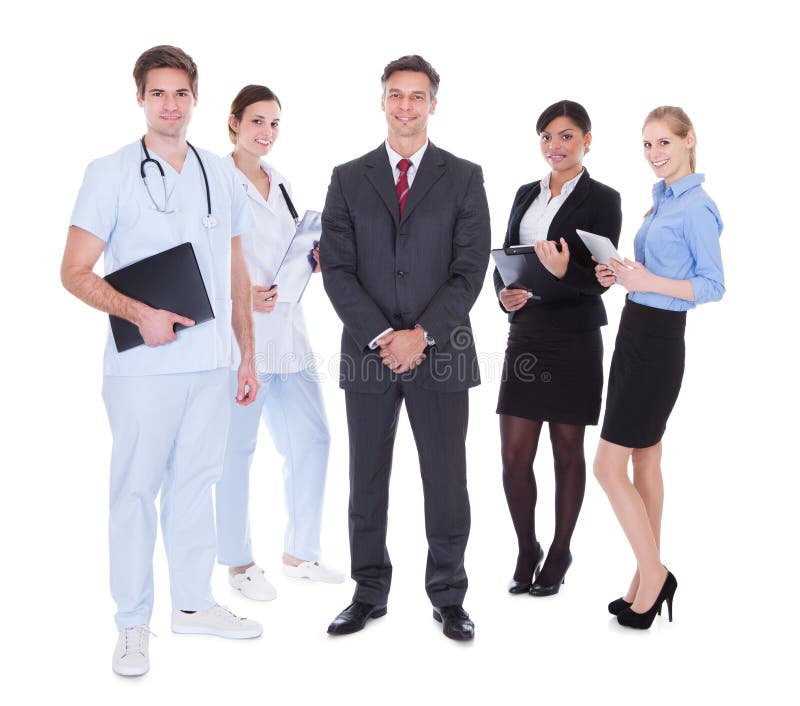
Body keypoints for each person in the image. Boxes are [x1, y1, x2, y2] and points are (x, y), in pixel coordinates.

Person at [60, 46, 263, 677]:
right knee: (134, 492)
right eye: (158, 94)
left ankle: (195, 606)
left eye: (181, 93)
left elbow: (234, 267)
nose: (170, 104)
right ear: (141, 99)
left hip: (210, 363)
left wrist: (246, 353)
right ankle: (131, 623)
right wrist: (136, 313)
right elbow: (73, 272)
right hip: (143, 369)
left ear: (195, 98)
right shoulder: (110, 172)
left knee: (195, 486)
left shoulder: (218, 172)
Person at [320, 55, 490, 641]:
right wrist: (382, 336)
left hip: (439, 352)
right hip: (367, 353)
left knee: (446, 481)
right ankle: (368, 592)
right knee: (366, 479)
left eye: (417, 96)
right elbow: (337, 270)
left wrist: (422, 334)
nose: (406, 106)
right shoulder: (347, 176)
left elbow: (468, 270)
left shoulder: (465, 176)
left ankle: (449, 595)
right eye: (396, 94)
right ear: (383, 100)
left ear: (433, 104)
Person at [593, 106, 724, 629]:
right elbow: (654, 274)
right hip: (634, 332)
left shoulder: (697, 207)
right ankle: (644, 576)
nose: (655, 155)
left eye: (664, 143)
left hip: (659, 343)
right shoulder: (661, 200)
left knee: (607, 467)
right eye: (647, 145)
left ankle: (656, 574)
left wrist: (647, 283)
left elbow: (712, 286)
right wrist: (621, 272)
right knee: (643, 460)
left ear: (689, 141)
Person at [215, 84, 344, 601]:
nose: (265, 133)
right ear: (234, 123)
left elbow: (286, 243)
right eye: (256, 122)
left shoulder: (282, 182)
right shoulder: (216, 180)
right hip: (240, 336)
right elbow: (205, 253)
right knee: (236, 451)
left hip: (289, 329)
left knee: (313, 438)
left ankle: (300, 552)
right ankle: (239, 563)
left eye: (273, 124)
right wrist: (242, 297)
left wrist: (311, 258)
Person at [494, 100, 622, 597]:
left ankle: (560, 548)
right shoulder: (525, 193)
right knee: (513, 456)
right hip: (525, 333)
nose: (555, 146)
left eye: (566, 136)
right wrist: (504, 295)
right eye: (547, 136)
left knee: (567, 451)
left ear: (587, 140)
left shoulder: (602, 198)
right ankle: (527, 547)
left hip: (574, 337)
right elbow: (504, 256)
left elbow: (601, 279)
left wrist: (567, 272)